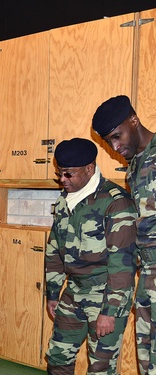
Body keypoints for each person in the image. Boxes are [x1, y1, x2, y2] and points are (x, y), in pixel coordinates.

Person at [44, 138, 137, 374]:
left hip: (106, 294)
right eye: (59, 174)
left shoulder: (116, 203)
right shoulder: (65, 201)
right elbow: (54, 249)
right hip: (73, 291)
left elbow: (122, 265)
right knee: (57, 356)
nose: (62, 180)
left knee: (101, 367)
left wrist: (110, 311)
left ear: (89, 168)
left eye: (68, 174)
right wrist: (53, 293)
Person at [92, 94, 156, 374]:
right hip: (148, 275)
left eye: (118, 136)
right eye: (109, 142)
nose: (116, 146)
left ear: (134, 120)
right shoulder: (134, 167)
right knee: (147, 357)